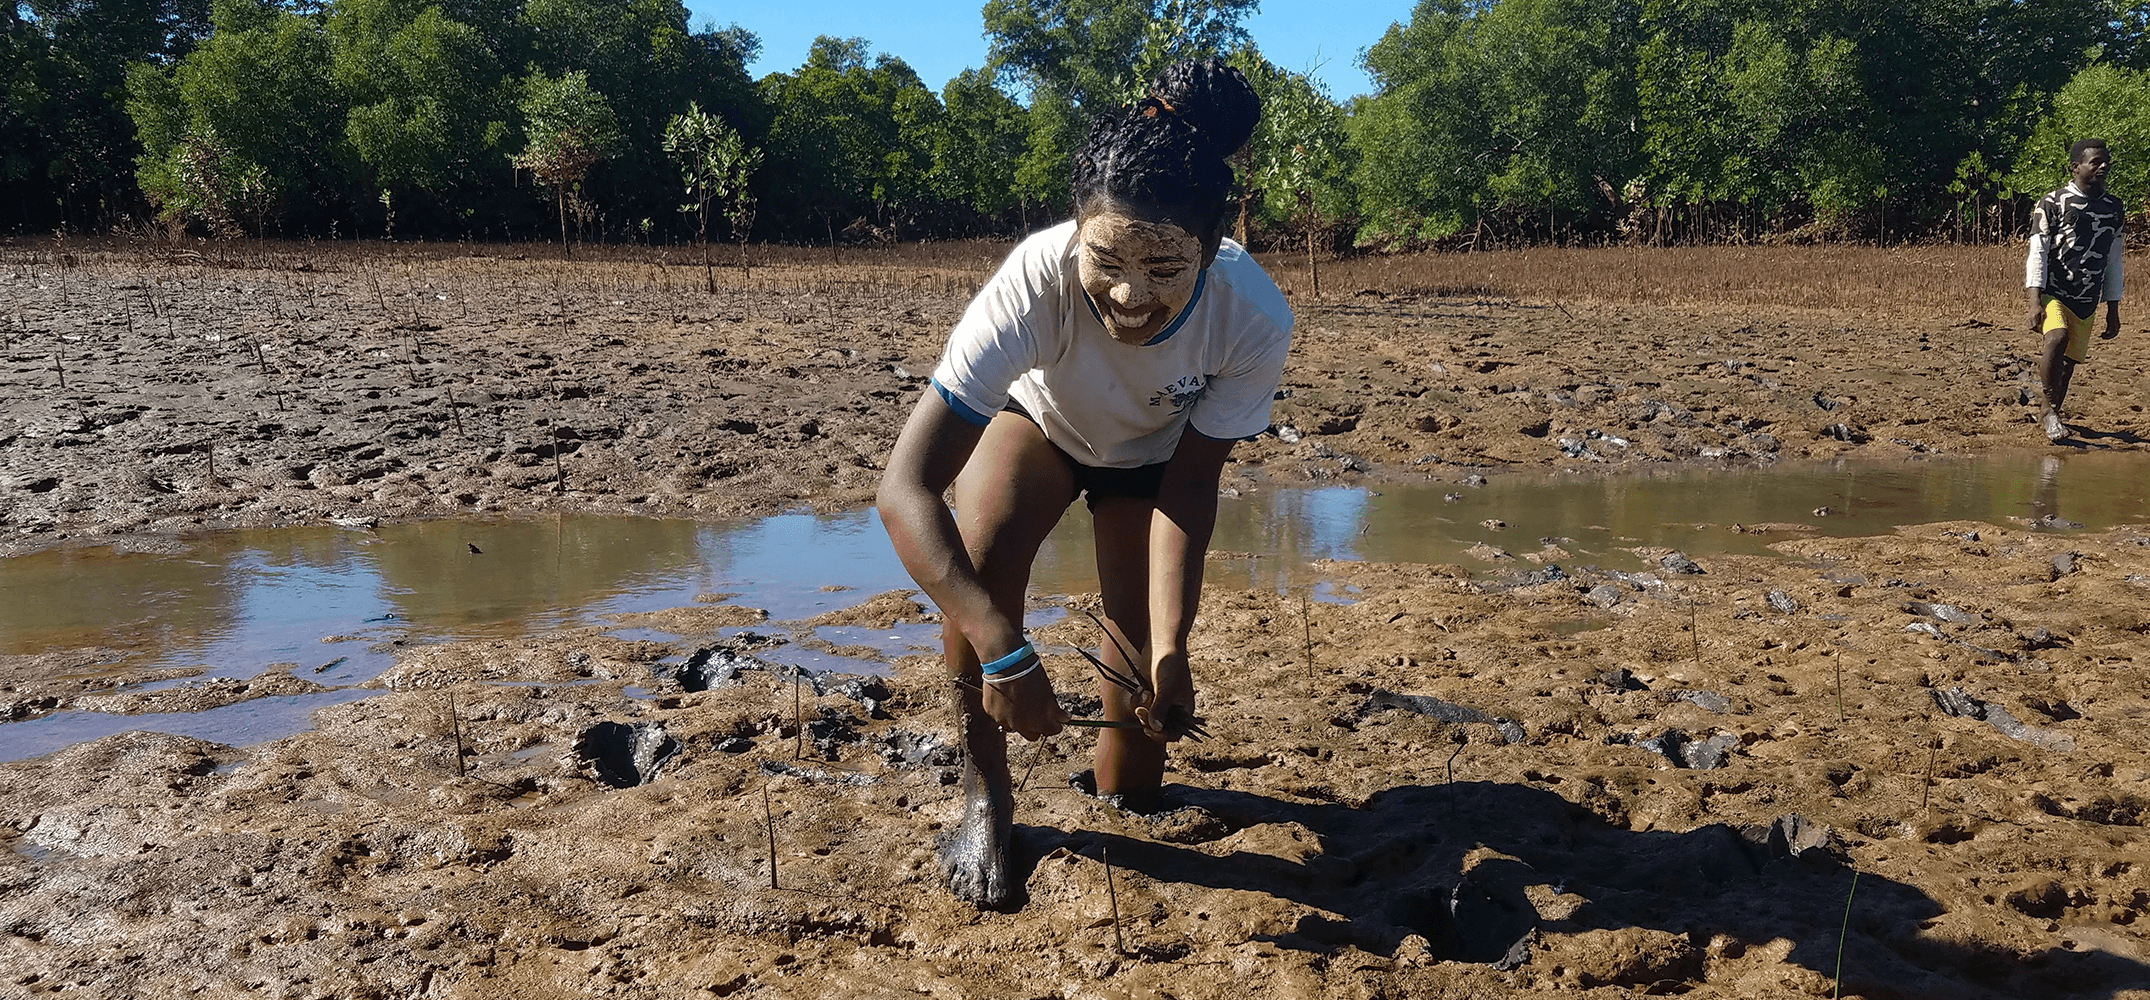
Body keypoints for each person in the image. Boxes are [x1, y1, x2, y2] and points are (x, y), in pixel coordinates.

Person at [875, 59, 1292, 910]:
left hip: (1154, 459)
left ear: (1213, 252)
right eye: (1106, 260)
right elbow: (904, 489)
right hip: (1043, 427)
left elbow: (1190, 489)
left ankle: (1121, 779)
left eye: (1168, 268)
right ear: (1075, 231)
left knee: (1140, 747)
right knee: (982, 564)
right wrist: (1002, 642)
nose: (1132, 296)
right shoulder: (1034, 280)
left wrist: (1172, 647)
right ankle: (983, 793)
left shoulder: (1252, 316)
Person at [2027, 138, 2125, 443]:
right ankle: (2048, 410)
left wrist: (2113, 308)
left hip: (2088, 298)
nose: (2103, 166)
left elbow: (2114, 259)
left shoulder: (2113, 208)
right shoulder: (2052, 203)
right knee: (2057, 337)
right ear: (2075, 167)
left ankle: (2052, 409)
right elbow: (2037, 253)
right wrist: (2034, 301)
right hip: (2055, 290)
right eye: (2095, 161)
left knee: (2069, 363)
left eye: (2105, 161)